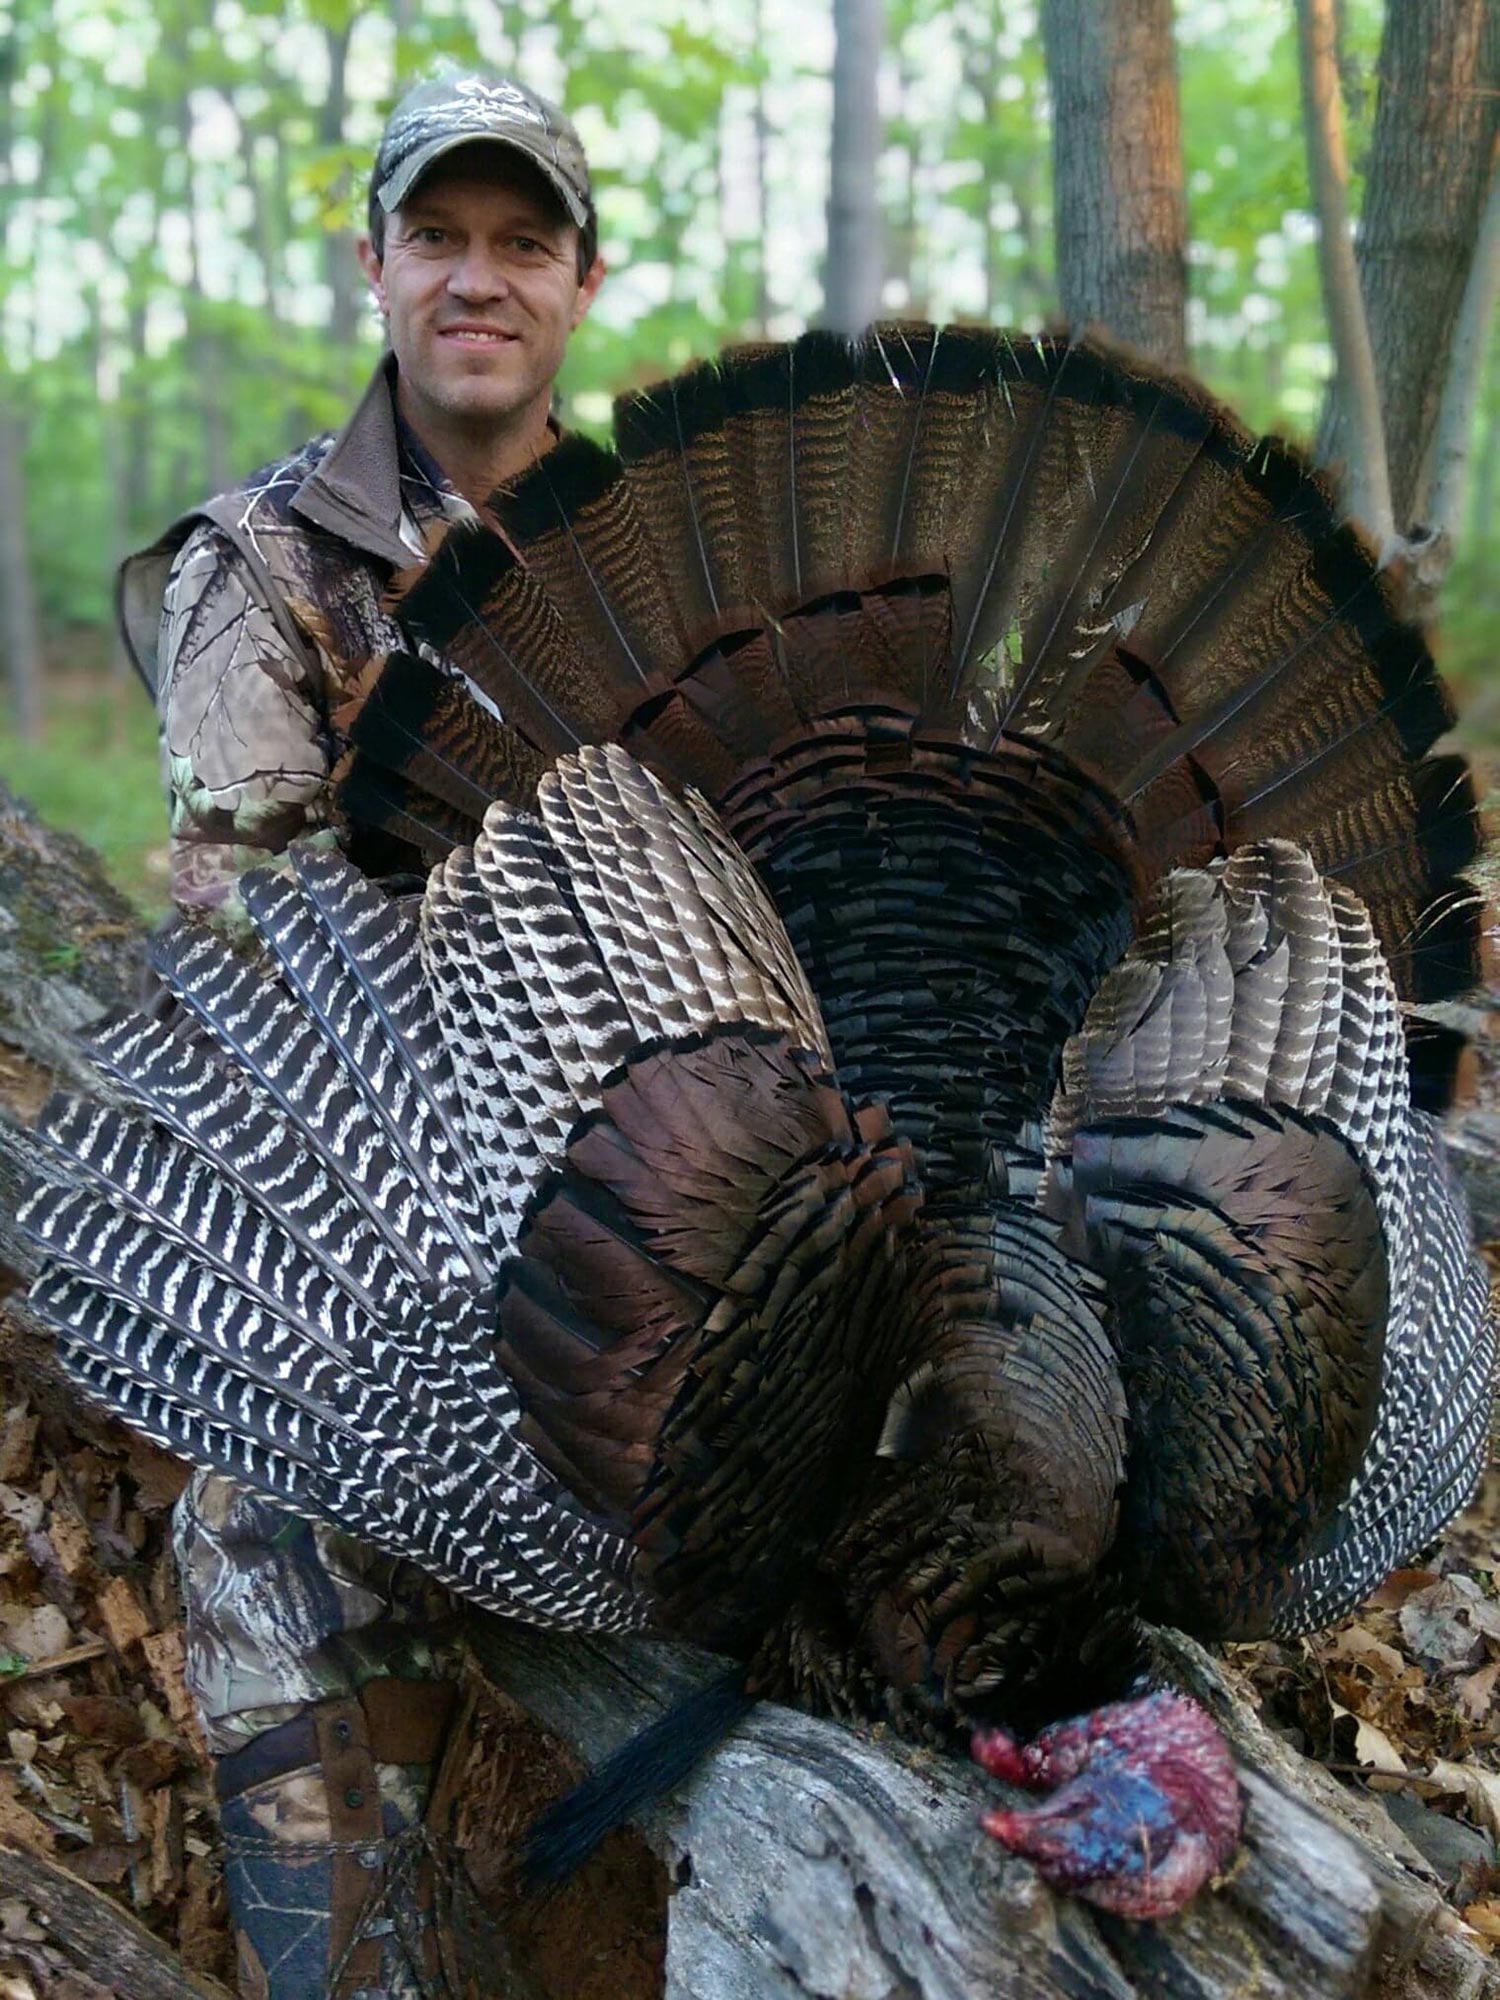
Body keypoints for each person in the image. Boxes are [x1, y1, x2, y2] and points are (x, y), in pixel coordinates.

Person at [119, 71, 606, 1999]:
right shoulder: (265, 563)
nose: (476, 280)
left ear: (580, 278)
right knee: (274, 1515)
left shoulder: (663, 546)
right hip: (393, 1198)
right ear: (376, 267)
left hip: (671, 1204)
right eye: (440, 239)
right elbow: (282, 944)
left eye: (520, 243)